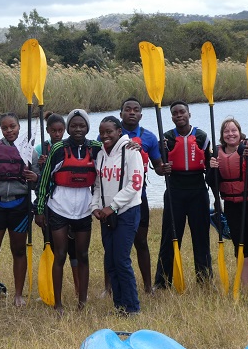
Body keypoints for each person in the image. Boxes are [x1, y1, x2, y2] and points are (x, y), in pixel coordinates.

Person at [35, 109, 102, 315]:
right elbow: (45, 179)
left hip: (84, 207)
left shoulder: (96, 148)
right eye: (74, 125)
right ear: (68, 128)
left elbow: (116, 148)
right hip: (59, 207)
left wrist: (130, 144)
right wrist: (39, 208)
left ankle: (82, 303)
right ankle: (58, 304)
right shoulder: (58, 148)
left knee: (83, 255)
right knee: (60, 254)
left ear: (87, 127)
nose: (78, 129)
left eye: (82, 126)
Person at [0, 112, 40, 307]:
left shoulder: (30, 152)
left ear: (19, 127)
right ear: (1, 129)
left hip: (20, 206)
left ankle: (18, 295)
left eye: (13, 126)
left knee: (18, 250)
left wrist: (35, 179)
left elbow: (38, 184)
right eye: (5, 128)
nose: (9, 130)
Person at [100, 97, 163, 296]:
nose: (132, 112)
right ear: (121, 114)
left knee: (141, 242)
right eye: (128, 109)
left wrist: (164, 168)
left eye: (136, 110)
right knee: (111, 246)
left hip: (137, 198)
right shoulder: (107, 135)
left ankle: (148, 287)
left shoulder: (149, 138)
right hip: (112, 200)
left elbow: (158, 166)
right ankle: (108, 288)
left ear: (141, 115)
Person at [154, 100, 213, 288]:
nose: (179, 115)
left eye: (182, 112)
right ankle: (162, 282)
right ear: (171, 117)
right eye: (175, 113)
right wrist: (162, 167)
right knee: (170, 237)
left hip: (197, 190)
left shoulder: (202, 137)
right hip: (175, 191)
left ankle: (204, 280)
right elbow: (158, 167)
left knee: (201, 237)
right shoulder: (166, 138)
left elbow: (210, 166)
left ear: (189, 114)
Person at [208, 117, 248, 289]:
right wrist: (212, 168)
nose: (230, 134)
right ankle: (244, 287)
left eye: (233, 130)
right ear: (222, 135)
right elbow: (212, 182)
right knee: (241, 246)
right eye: (226, 131)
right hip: (231, 205)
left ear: (239, 132)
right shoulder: (216, 152)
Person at [91, 116, 144, 315]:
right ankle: (119, 306)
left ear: (119, 131)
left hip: (127, 211)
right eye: (101, 132)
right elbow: (98, 184)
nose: (105, 136)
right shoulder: (101, 155)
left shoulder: (131, 151)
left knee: (121, 259)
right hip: (107, 215)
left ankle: (132, 307)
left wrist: (112, 206)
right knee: (111, 261)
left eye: (109, 132)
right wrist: (95, 206)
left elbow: (135, 184)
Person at [35, 112, 79, 295]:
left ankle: (78, 289)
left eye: (61, 130)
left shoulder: (70, 146)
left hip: (69, 203)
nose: (57, 134)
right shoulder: (40, 149)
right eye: (54, 131)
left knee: (74, 250)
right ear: (47, 131)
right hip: (48, 204)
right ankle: (52, 290)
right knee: (53, 247)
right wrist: (40, 167)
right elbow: (35, 181)